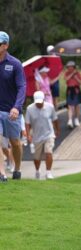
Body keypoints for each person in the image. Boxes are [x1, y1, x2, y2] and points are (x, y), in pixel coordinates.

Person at [0, 31, 26, 181]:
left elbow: (22, 87)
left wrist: (16, 107)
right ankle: (2, 173)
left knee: (15, 143)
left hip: (12, 111)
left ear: (6, 45)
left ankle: (17, 169)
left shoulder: (15, 64)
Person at [25, 91, 59, 180]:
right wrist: (28, 134)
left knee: (48, 152)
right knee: (37, 158)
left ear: (44, 100)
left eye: (40, 102)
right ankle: (37, 170)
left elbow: (55, 119)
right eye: (37, 102)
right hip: (37, 136)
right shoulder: (30, 109)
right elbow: (27, 123)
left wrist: (57, 130)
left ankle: (48, 172)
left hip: (49, 134)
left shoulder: (50, 107)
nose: (39, 104)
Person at [64, 61, 81, 128]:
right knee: (69, 106)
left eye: (71, 67)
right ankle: (70, 120)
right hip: (69, 91)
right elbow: (66, 79)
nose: (70, 68)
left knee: (76, 106)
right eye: (68, 67)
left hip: (76, 90)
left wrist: (76, 77)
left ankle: (76, 119)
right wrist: (72, 74)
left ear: (74, 67)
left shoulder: (78, 73)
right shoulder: (66, 73)